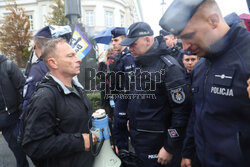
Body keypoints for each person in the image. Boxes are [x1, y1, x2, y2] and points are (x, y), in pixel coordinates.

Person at [160, 0, 250, 166]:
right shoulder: (200, 66)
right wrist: (188, 152)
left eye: (188, 36)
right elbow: (196, 113)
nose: (185, 47)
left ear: (213, 21)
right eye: (181, 39)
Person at [119, 22, 191, 167]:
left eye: (133, 43)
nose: (130, 48)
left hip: (159, 146)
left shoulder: (169, 67)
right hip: (140, 141)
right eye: (129, 44)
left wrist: (169, 147)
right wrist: (131, 118)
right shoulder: (140, 62)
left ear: (148, 40)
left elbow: (182, 112)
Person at [21, 38, 97, 167]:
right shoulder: (45, 97)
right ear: (53, 63)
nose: (78, 59)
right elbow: (34, 145)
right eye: (71, 55)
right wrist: (79, 142)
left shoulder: (77, 88)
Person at [108, 27, 135, 152]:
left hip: (125, 100)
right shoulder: (119, 56)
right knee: (119, 130)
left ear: (123, 40)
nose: (113, 43)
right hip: (118, 98)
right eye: (112, 40)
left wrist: (129, 111)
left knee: (122, 131)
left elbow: (131, 85)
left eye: (116, 40)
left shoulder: (128, 57)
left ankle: (126, 157)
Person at [0, 55, 29, 167]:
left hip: (15, 117)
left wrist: (22, 110)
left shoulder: (8, 66)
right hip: (3, 122)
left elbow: (23, 88)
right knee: (17, 151)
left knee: (30, 147)